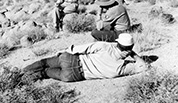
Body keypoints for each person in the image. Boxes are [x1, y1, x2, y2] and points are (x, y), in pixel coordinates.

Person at [21, 33, 150, 82]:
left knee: (44, 62)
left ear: (117, 42)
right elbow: (143, 66)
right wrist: (133, 54)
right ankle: (25, 80)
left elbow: (79, 49)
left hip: (71, 59)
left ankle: (21, 72)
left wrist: (64, 51)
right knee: (46, 73)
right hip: (74, 76)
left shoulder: (104, 46)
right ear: (131, 46)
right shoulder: (122, 68)